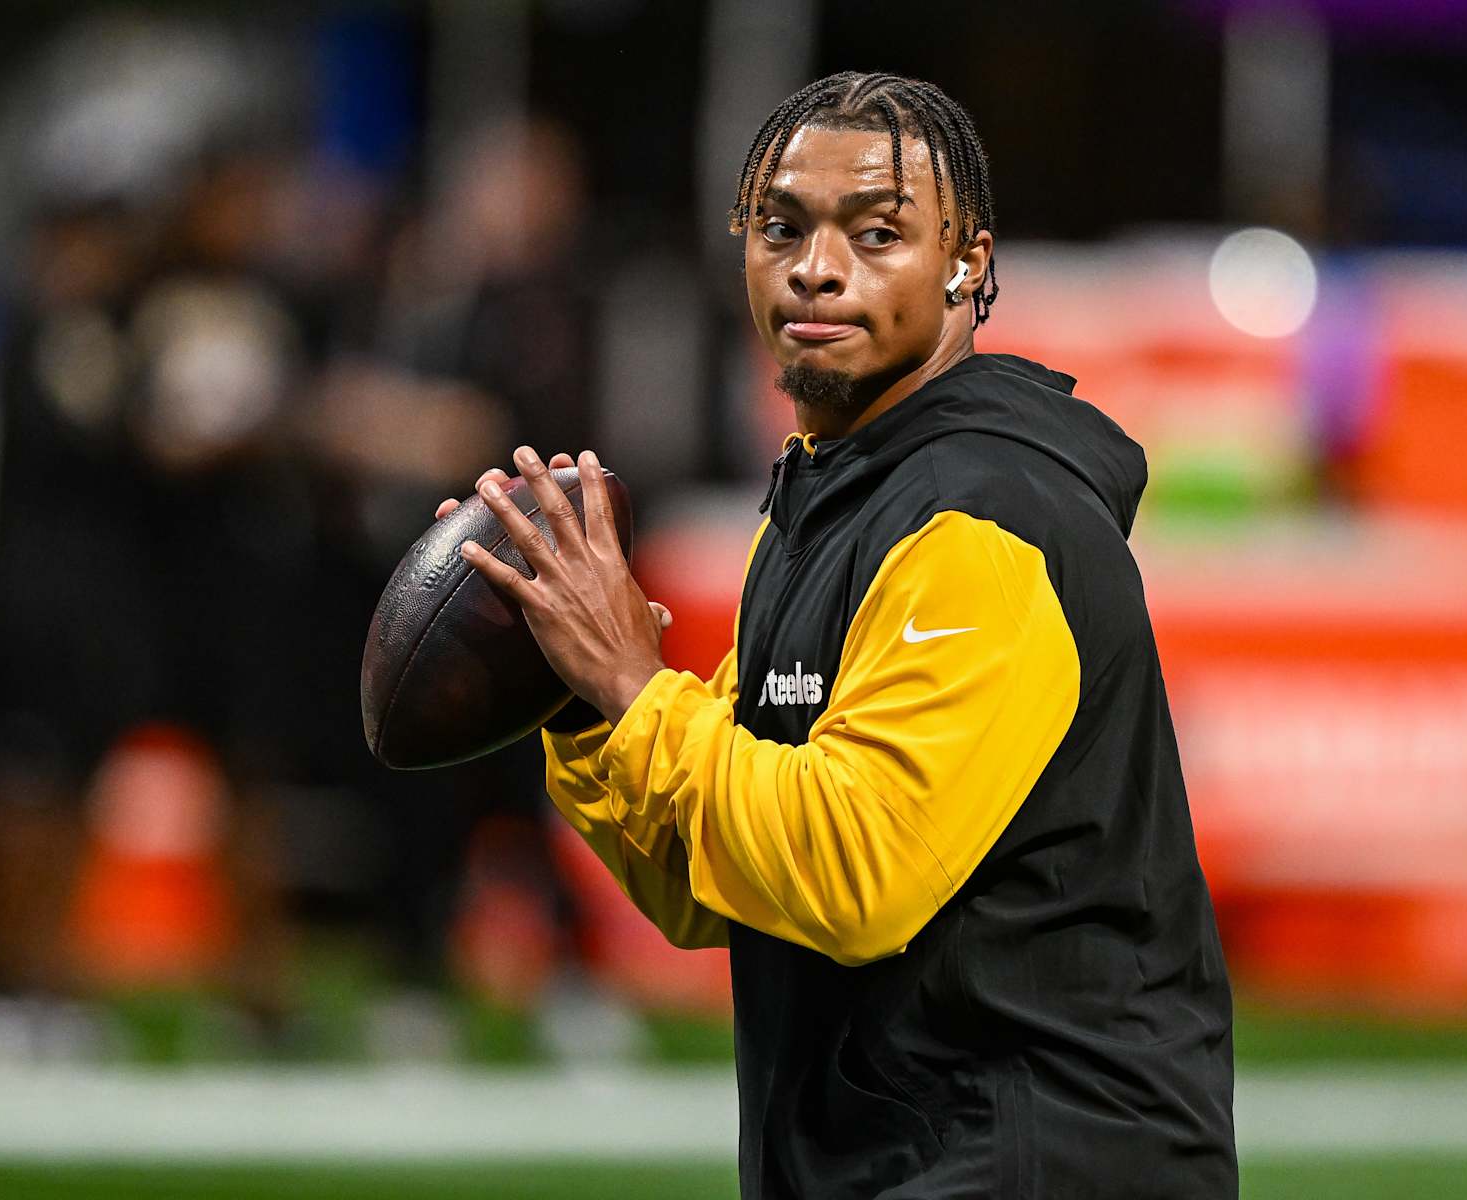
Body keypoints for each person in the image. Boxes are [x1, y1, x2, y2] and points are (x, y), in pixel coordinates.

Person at [441, 71, 1236, 1198]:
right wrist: (574, 698)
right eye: (781, 227)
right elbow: (721, 891)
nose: (817, 266)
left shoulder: (982, 518)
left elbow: (852, 874)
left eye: (877, 232)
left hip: (1030, 1159)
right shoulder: (834, 501)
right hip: (906, 1158)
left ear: (968, 261)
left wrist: (634, 684)